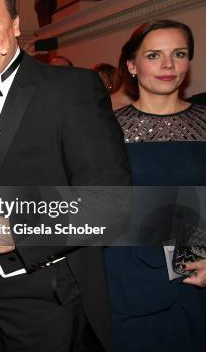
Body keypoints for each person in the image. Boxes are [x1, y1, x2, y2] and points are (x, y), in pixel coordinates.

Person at [0, 0, 130, 351]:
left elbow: (111, 204)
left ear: (14, 25)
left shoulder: (70, 89)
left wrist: (19, 230)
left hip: (47, 296)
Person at [105, 19, 206, 352]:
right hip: (128, 277)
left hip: (196, 276)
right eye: (154, 55)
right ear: (132, 65)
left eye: (179, 53)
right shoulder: (106, 130)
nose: (168, 65)